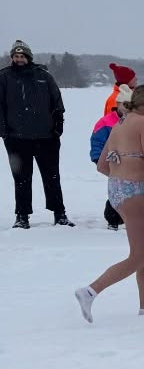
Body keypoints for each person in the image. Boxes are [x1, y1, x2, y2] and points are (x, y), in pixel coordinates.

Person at [75, 85, 144, 321]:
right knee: (140, 255)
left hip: (118, 190)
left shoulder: (119, 123)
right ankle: (90, 291)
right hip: (134, 193)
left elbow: (103, 166)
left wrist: (123, 171)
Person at [1, 39, 72, 228]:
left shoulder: (44, 76)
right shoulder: (4, 77)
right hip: (16, 139)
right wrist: (4, 132)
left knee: (52, 177)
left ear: (28, 57)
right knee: (22, 179)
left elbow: (57, 102)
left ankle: (60, 214)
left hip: (46, 137)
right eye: (15, 56)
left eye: (22, 56)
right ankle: (22, 216)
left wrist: (58, 126)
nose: (19, 59)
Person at [94, 63, 138, 230]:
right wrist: (102, 157)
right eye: (134, 78)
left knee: (132, 185)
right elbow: (107, 132)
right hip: (114, 155)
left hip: (128, 154)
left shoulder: (129, 97)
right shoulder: (115, 101)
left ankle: (131, 213)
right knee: (119, 186)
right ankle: (114, 216)